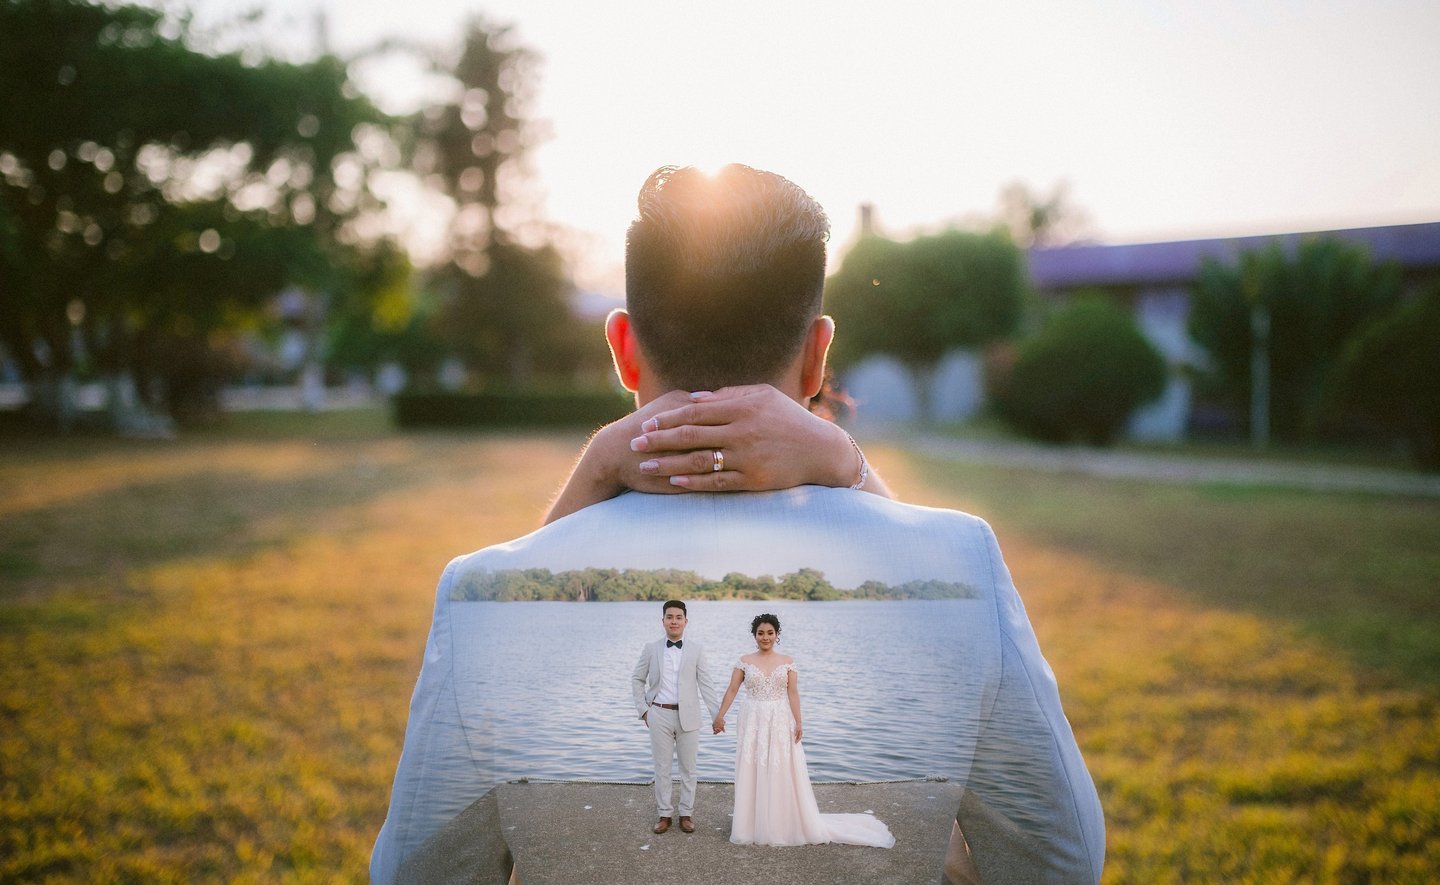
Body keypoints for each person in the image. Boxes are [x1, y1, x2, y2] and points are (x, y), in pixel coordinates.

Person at [372, 163, 1105, 884]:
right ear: (819, 354)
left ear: (623, 349)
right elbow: (1060, 863)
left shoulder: (480, 597)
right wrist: (847, 462)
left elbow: (417, 872)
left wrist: (595, 468)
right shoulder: (962, 561)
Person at [711, 613, 895, 848]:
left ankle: (781, 823)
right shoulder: (744, 661)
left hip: (779, 718)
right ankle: (751, 824)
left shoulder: (787, 661)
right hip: (753, 718)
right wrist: (720, 715)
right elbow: (732, 689)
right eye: (760, 633)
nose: (765, 637)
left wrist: (799, 722)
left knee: (780, 767)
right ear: (754, 635)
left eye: (770, 633)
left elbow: (793, 693)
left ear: (777, 635)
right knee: (753, 766)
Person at [630, 600, 721, 835]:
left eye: (678, 617)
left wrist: (716, 716)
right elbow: (637, 679)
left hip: (689, 716)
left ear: (685, 621)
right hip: (658, 713)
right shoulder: (651, 649)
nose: (674, 621)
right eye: (669, 617)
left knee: (688, 768)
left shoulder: (697, 649)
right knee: (661, 768)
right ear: (663, 621)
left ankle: (686, 814)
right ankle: (664, 815)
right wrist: (643, 710)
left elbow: (706, 684)